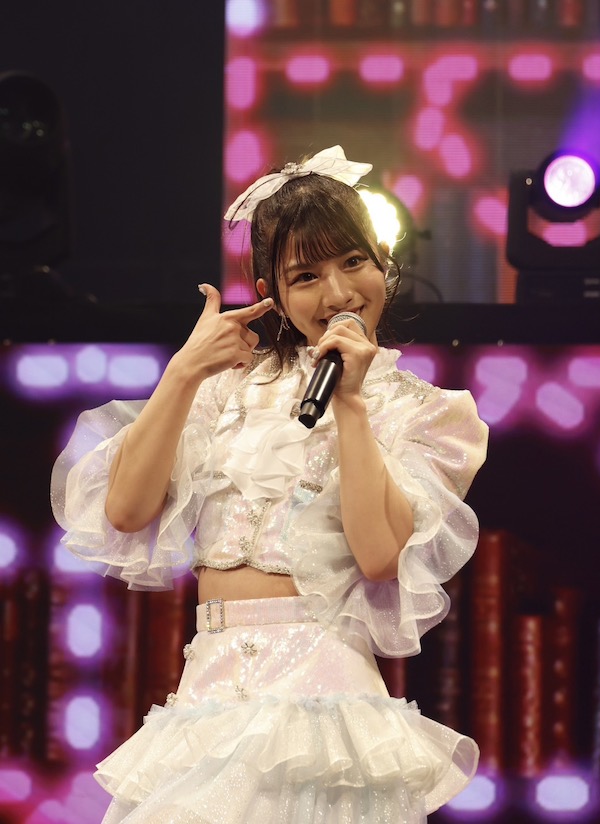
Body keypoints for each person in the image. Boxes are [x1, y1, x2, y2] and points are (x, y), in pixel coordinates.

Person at [51, 145, 488, 823]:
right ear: (270, 292)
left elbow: (380, 556)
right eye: (306, 275)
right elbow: (127, 510)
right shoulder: (226, 390)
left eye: (354, 262)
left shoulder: (428, 413)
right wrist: (184, 372)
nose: (338, 294)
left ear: (384, 264)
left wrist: (351, 402)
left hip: (326, 702)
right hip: (209, 694)